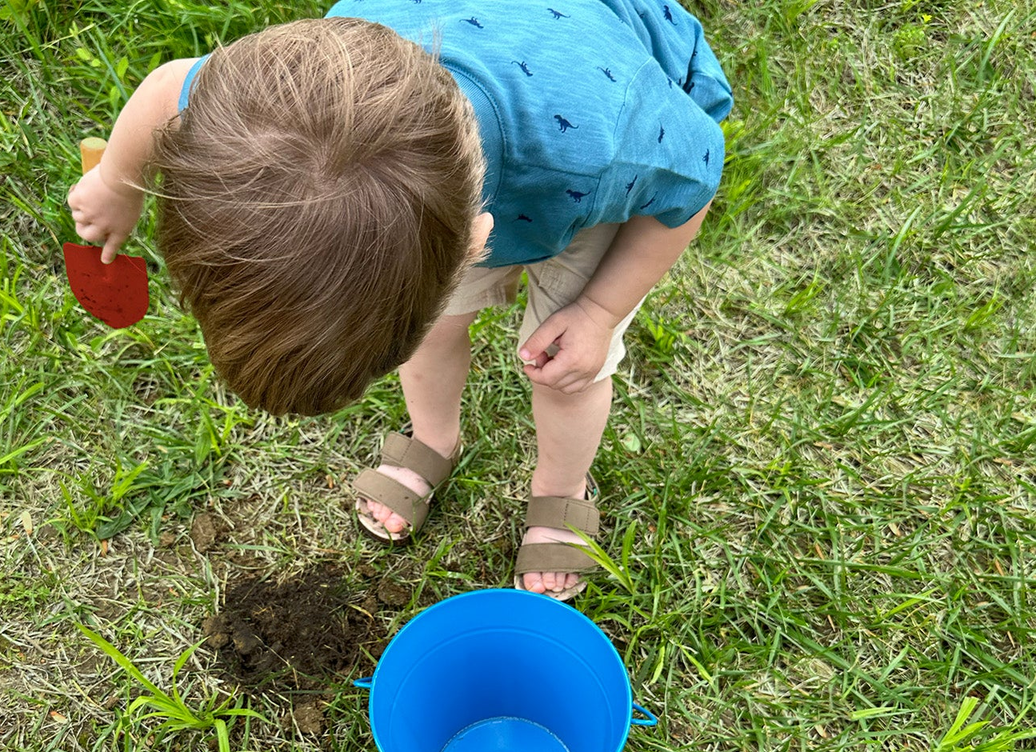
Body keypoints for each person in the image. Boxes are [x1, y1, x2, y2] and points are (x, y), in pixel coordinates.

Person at [67, 1, 732, 601]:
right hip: (452, 165)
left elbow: (692, 185)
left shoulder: (600, 144)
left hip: (579, 163)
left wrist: (600, 313)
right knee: (438, 328)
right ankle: (434, 439)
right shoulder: (266, 102)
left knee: (569, 369)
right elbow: (167, 87)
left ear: (476, 243)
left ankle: (559, 488)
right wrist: (120, 181)